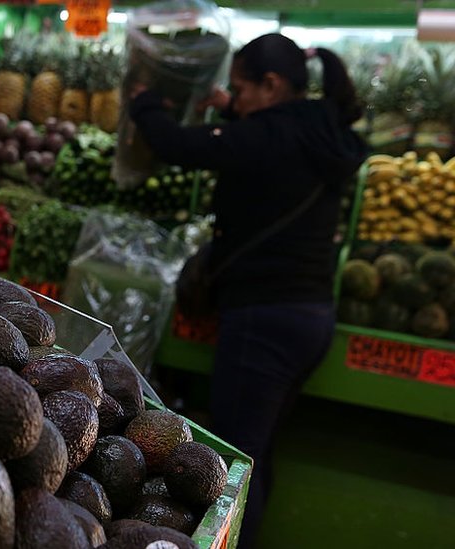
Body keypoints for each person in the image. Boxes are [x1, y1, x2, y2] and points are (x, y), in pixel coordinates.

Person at [129, 34, 367, 548]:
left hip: (264, 322)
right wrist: (233, 114)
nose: (233, 99)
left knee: (237, 463)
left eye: (239, 89)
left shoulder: (268, 135)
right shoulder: (320, 128)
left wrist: (145, 102)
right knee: (259, 450)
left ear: (272, 85)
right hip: (311, 316)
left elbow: (179, 146)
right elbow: (272, 155)